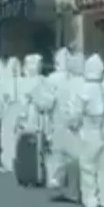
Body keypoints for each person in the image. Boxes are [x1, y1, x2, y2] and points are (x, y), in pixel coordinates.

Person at [69, 53, 104, 207]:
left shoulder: (84, 88)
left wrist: (73, 125)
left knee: (87, 166)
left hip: (89, 129)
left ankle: (90, 199)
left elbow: (76, 112)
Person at [42, 49, 82, 198]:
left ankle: (58, 181)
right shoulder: (84, 81)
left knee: (58, 153)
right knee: (77, 156)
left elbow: (45, 102)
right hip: (80, 125)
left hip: (59, 121)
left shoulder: (53, 79)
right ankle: (76, 188)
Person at [4, 54, 41, 177]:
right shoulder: (20, 82)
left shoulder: (35, 81)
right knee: (13, 137)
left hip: (28, 112)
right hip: (18, 111)